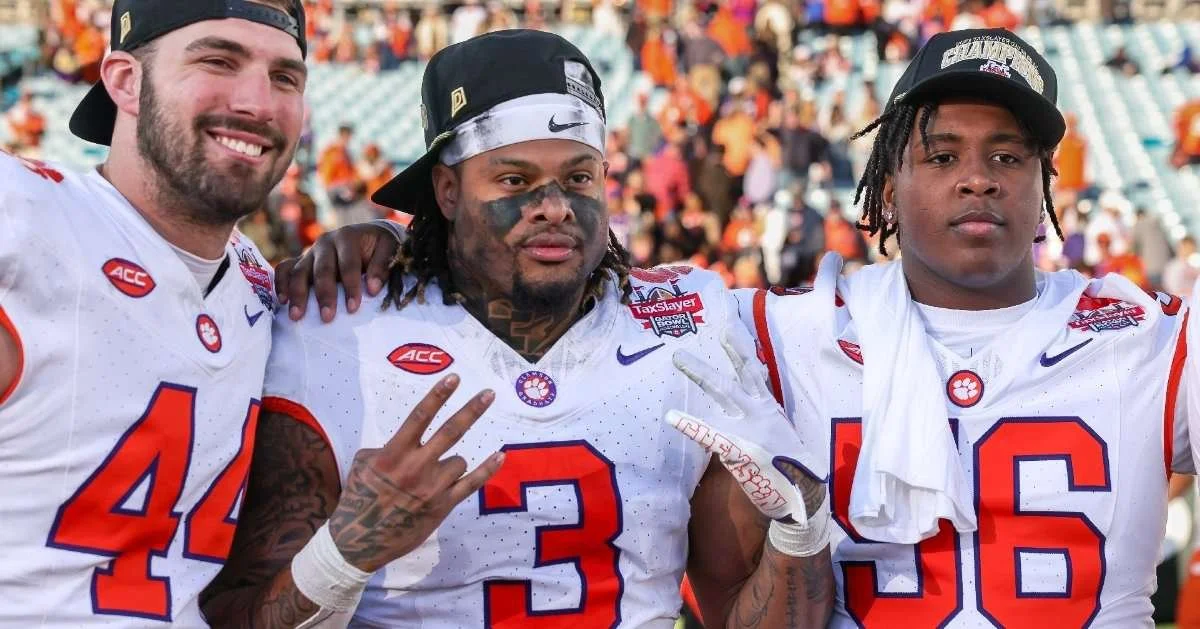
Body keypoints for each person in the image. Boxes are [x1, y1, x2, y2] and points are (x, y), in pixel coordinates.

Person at [273, 25, 1200, 629]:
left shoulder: (1149, 334)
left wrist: (798, 533)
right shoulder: (777, 327)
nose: (978, 178)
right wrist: (386, 241)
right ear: (884, 180)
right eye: (943, 153)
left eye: (1009, 156)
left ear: (1047, 180)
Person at [204, 29, 834, 628]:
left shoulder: (686, 323)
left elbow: (743, 613)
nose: (555, 206)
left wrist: (801, 527)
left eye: (579, 178)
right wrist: (342, 555)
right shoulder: (336, 329)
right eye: (515, 180)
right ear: (446, 191)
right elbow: (237, 614)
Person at [0, 0, 309, 625]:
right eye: (218, 60)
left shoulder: (258, 283)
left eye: (285, 77)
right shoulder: (23, 219)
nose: (258, 102)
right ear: (124, 80)